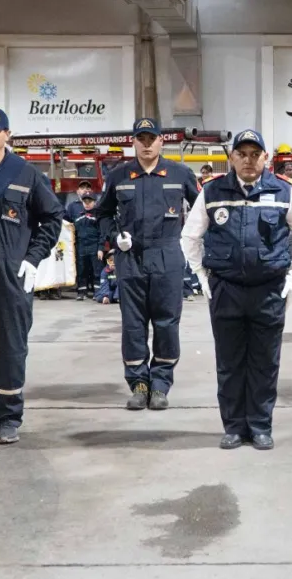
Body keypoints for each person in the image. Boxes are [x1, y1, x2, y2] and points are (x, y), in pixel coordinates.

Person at [181, 129, 292, 450]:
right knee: (229, 361)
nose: (248, 160)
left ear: (265, 158)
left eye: (255, 154)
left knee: (264, 361)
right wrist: (202, 275)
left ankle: (259, 426)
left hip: (269, 291)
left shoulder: (284, 192)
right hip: (226, 289)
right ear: (231, 158)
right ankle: (232, 426)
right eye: (241, 154)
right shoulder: (213, 192)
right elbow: (190, 237)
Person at [0, 106, 63, 445]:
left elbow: (52, 219)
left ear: (8, 135)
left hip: (11, 279)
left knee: (11, 348)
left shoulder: (26, 174)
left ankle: (8, 417)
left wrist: (34, 259)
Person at [95, 118, 200, 412]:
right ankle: (139, 384)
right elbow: (102, 214)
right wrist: (116, 238)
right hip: (131, 259)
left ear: (160, 141)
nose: (146, 144)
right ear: (133, 142)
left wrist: (193, 244)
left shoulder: (180, 174)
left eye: (151, 138)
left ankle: (161, 384)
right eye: (140, 139)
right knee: (133, 324)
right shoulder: (119, 175)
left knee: (167, 323)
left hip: (168, 256)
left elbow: (202, 211)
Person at [72, 192, 102, 301]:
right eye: (85, 201)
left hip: (94, 246)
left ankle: (98, 292)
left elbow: (102, 234)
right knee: (81, 270)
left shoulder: (98, 216)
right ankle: (81, 292)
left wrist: (100, 248)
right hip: (81, 247)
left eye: (90, 201)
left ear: (95, 202)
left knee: (96, 270)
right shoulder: (78, 215)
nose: (87, 204)